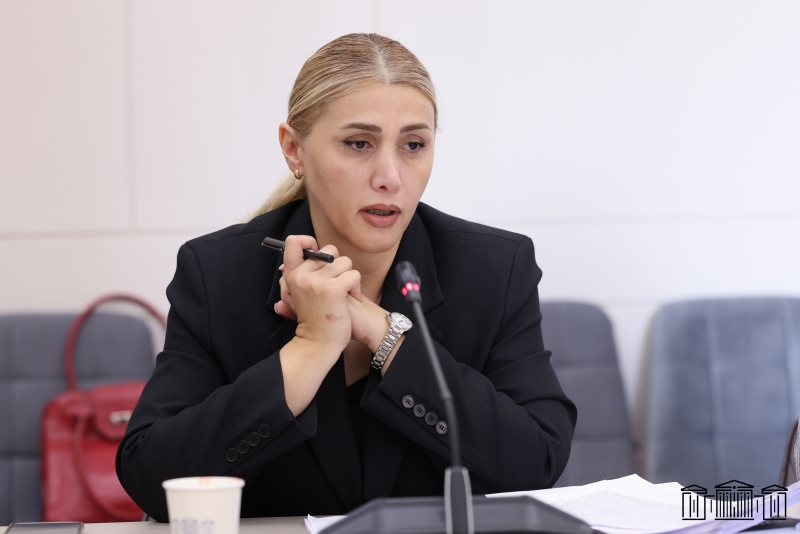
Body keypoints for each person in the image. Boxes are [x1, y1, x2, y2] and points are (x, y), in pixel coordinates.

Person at [116, 33, 577, 521]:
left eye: (413, 145)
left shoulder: (494, 269)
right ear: (294, 149)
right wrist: (311, 346)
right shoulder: (218, 274)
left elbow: (537, 461)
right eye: (359, 144)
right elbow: (153, 479)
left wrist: (384, 334)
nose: (390, 177)